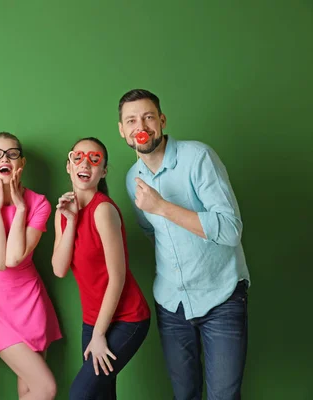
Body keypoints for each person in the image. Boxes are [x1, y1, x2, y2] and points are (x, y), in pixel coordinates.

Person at [118, 88, 250, 400]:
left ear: (161, 120)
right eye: (132, 120)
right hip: (171, 304)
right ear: (122, 130)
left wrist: (162, 206)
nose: (142, 126)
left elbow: (231, 229)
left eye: (149, 117)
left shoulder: (198, 157)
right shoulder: (131, 178)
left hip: (222, 296)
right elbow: (152, 233)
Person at [52, 137, 151, 399]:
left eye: (94, 159)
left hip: (128, 319)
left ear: (103, 171)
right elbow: (59, 268)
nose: (85, 163)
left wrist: (98, 335)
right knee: (102, 395)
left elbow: (117, 278)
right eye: (78, 157)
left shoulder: (103, 211)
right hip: (93, 319)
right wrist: (71, 220)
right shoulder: (63, 212)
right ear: (69, 165)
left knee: (80, 395)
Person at [0, 132, 62, 400]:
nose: (4, 159)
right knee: (46, 389)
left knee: (29, 390)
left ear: (22, 163)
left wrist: (20, 209)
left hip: (31, 302)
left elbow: (15, 257)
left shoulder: (38, 203)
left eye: (12, 153)